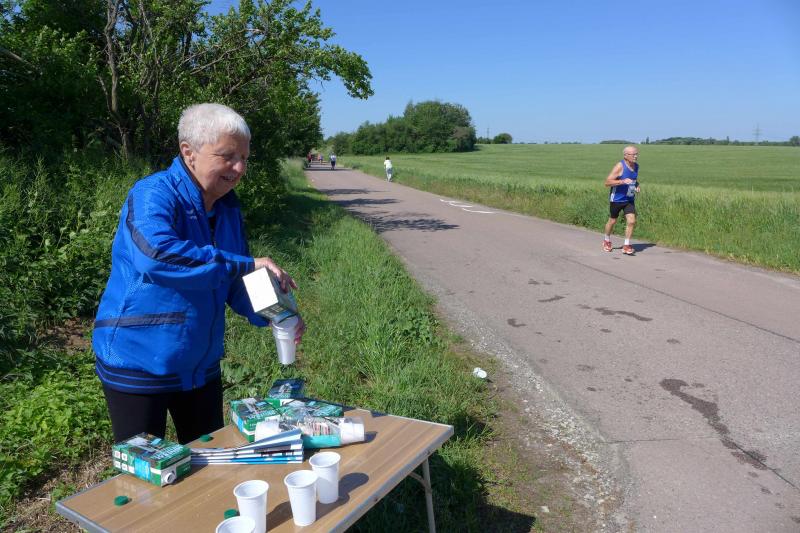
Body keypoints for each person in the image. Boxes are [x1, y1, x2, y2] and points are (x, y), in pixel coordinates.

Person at [93, 103, 305, 444]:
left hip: (200, 367)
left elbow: (234, 281)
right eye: (227, 156)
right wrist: (245, 263)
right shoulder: (153, 194)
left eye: (244, 158)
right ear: (188, 152)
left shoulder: (228, 208)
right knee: (146, 469)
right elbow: (155, 255)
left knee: (208, 462)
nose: (239, 168)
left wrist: (278, 313)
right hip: (138, 362)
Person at [602, 146, 640, 255]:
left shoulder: (636, 166)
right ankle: (606, 240)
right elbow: (607, 182)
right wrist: (622, 181)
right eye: (633, 154)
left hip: (629, 199)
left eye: (637, 154)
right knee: (612, 221)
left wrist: (637, 185)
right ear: (626, 156)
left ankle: (626, 245)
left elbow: (633, 179)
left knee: (631, 221)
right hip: (617, 199)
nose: (636, 156)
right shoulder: (620, 166)